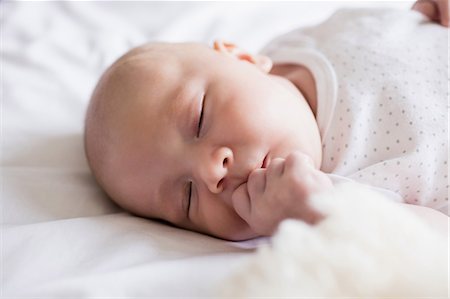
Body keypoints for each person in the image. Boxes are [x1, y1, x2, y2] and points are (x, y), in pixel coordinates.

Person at [84, 0, 449, 241]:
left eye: (198, 120)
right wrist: (322, 217)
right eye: (188, 196)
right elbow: (433, 247)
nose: (212, 174)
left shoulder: (304, 44)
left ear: (242, 57)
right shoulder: (331, 194)